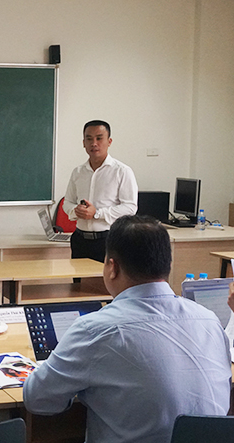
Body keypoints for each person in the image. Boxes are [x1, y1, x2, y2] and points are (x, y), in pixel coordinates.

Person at [23, 216, 231, 443]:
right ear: (168, 266)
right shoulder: (209, 321)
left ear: (112, 268)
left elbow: (37, 399)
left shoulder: (95, 330)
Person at [63, 120, 138, 264]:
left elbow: (130, 207)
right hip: (80, 240)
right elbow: (67, 202)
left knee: (107, 279)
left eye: (99, 138)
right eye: (89, 139)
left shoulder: (122, 171)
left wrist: (97, 213)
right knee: (79, 279)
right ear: (83, 143)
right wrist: (76, 210)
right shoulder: (78, 172)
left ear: (109, 141)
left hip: (109, 240)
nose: (94, 143)